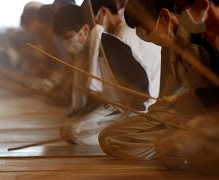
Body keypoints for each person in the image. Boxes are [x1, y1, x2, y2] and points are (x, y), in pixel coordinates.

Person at [98, 0, 213, 160]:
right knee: (110, 137)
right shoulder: (168, 43)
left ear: (165, 16)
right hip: (178, 116)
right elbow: (168, 98)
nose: (144, 34)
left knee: (178, 151)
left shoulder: (203, 39)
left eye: (146, 28)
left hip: (205, 117)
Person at [52, 4, 150, 145]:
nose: (66, 43)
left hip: (127, 109)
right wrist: (79, 114)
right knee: (68, 129)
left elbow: (140, 82)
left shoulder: (109, 46)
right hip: (108, 108)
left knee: (77, 131)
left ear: (85, 30)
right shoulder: (84, 52)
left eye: (69, 36)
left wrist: (132, 113)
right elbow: (95, 95)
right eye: (64, 38)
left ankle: (127, 132)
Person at [91, 0, 162, 109]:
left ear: (104, 11)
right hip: (150, 95)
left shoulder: (123, 36)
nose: (95, 26)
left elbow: (133, 81)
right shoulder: (123, 30)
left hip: (147, 102)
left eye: (95, 19)